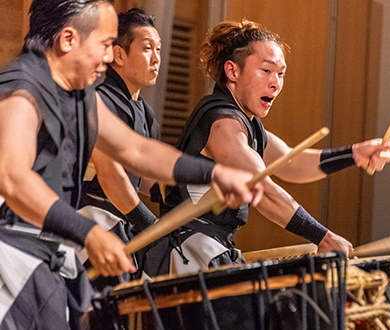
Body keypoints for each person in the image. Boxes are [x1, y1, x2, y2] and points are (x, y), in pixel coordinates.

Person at [0, 2, 261, 329]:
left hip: (46, 246)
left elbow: (135, 150)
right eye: (105, 44)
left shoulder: (79, 95)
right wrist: (91, 233)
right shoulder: (21, 90)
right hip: (10, 252)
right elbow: (12, 179)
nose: (110, 57)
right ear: (68, 40)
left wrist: (213, 173)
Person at [139, 20, 390, 277]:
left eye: (281, 73)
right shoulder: (223, 125)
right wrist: (323, 236)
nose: (275, 82)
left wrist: (354, 154)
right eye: (266, 71)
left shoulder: (247, 124)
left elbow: (291, 162)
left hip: (208, 246)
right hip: (187, 250)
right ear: (232, 72)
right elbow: (262, 189)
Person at [78, 8, 162, 287]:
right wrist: (154, 226)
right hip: (90, 220)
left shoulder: (145, 112)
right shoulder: (100, 101)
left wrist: (187, 198)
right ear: (118, 54)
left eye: (158, 49)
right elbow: (112, 178)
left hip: (121, 224)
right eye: (147, 48)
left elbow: (146, 179)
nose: (156, 58)